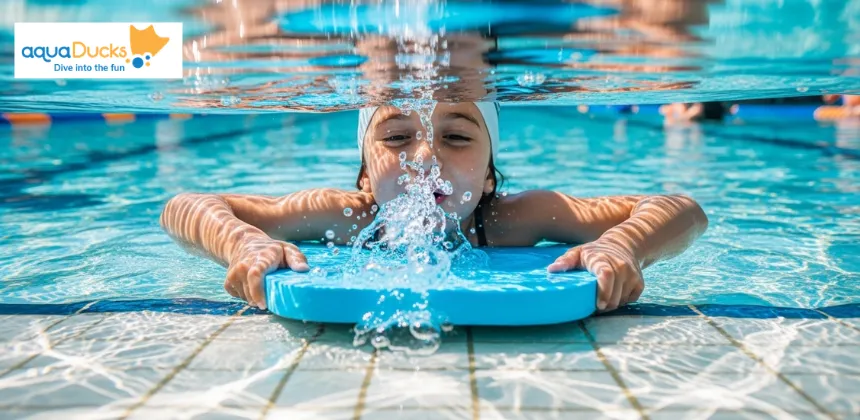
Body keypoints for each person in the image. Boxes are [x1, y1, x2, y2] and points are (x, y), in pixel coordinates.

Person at [160, 102, 709, 313]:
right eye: (397, 138)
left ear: (489, 174)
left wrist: (621, 244)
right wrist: (242, 241)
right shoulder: (347, 215)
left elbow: (682, 208)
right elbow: (183, 205)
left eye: (458, 137)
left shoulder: (510, 218)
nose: (425, 157)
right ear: (365, 175)